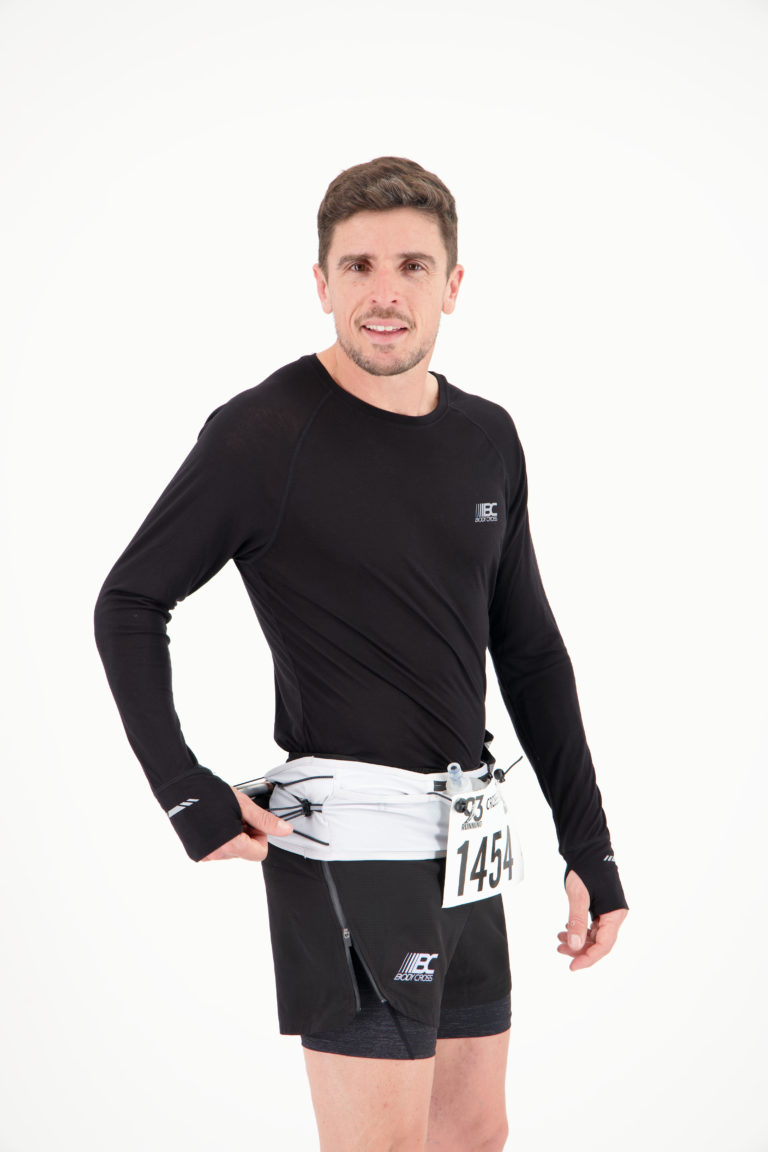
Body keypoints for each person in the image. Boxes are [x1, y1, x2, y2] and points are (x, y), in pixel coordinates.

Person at [94, 156, 628, 1152]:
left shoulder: (487, 436)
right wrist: (181, 789)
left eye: (413, 266)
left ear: (452, 286)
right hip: (348, 844)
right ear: (322, 282)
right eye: (359, 266)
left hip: (467, 837)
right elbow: (128, 601)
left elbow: (528, 648)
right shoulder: (264, 433)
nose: (386, 292)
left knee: (473, 1136)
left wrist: (588, 847)